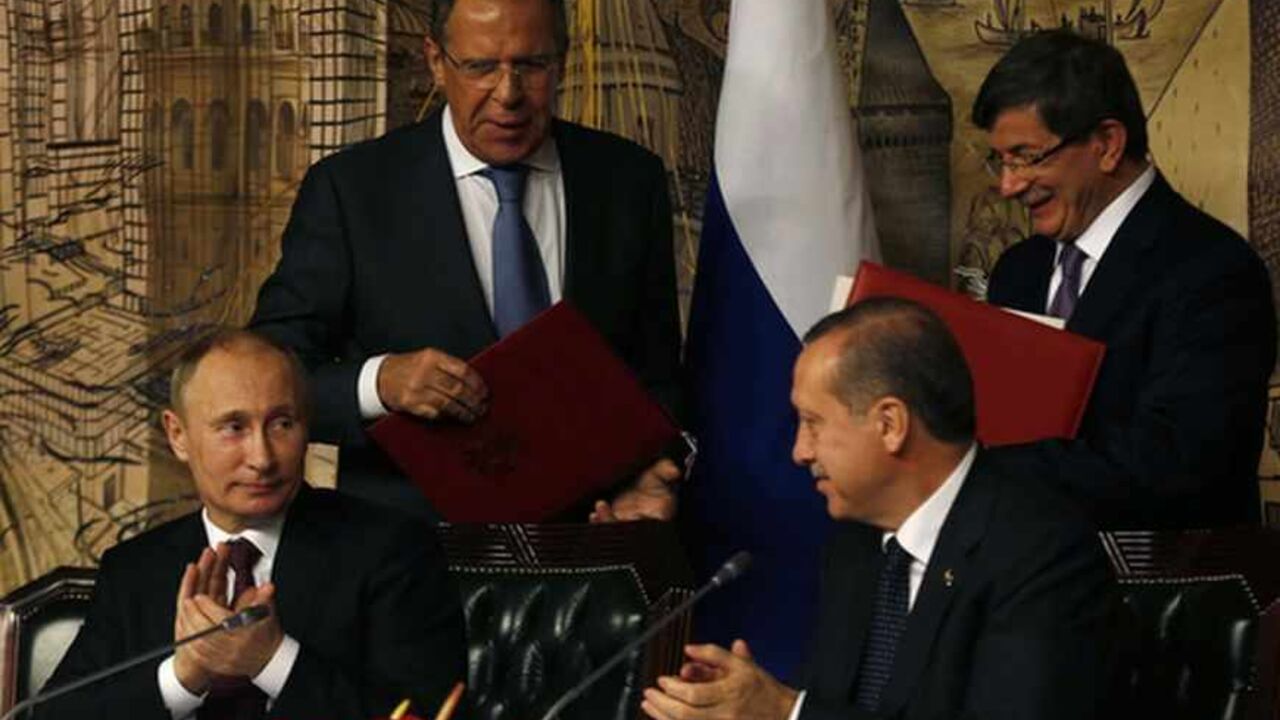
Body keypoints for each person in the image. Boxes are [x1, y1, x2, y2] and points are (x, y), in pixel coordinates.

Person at [248, 0, 682, 522]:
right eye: (480, 67)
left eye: (531, 65)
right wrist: (379, 383)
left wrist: (651, 468)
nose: (509, 94)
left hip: (592, 544)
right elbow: (268, 376)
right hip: (407, 563)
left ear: (563, 59)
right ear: (436, 61)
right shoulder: (351, 191)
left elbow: (658, 376)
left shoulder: (630, 182)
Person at [641, 298, 1114, 720]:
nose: (800, 452)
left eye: (812, 423)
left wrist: (786, 712)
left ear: (890, 424)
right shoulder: (856, 548)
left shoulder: (1041, 555)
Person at [35, 330, 466, 720]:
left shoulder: (392, 550)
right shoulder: (135, 569)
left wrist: (273, 660)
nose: (262, 457)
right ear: (178, 435)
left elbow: (426, 715)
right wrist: (183, 677)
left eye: (282, 423)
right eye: (233, 427)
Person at [976, 30, 1276, 529]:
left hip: (1148, 591)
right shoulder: (1018, 269)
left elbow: (1180, 463)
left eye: (1026, 157)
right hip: (1023, 589)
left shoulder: (1213, 270)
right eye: (1000, 161)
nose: (1008, 186)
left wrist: (978, 467)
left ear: (1108, 145)